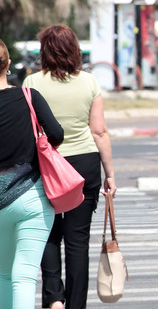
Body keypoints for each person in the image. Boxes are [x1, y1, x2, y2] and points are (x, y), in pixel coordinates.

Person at [23, 24, 117, 309]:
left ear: (45, 51)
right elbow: (99, 131)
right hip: (84, 166)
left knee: (48, 235)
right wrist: (110, 174)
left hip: (47, 165)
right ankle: (76, 305)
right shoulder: (89, 82)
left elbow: (30, 130)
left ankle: (54, 300)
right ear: (74, 49)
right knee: (78, 241)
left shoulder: (32, 83)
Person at [0, 39, 64, 309]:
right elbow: (57, 134)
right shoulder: (28, 96)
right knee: (24, 276)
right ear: (8, 63)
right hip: (32, 197)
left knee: (2, 275)